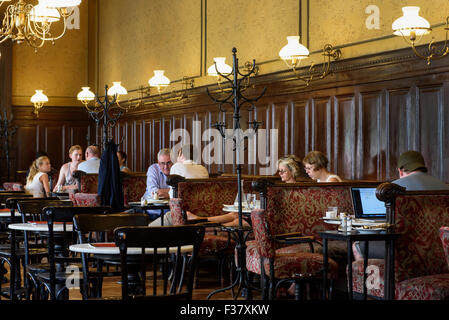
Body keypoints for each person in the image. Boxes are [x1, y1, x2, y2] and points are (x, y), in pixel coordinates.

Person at [356, 150, 449, 259]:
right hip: (441, 250)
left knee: (358, 246)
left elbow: (386, 225)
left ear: (400, 171)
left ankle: (377, 274)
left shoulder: (391, 189)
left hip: (405, 251)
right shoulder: (444, 187)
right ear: (423, 167)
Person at [149, 144, 208, 226]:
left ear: (181, 154)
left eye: (178, 155)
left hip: (181, 214)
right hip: (202, 212)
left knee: (151, 226)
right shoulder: (203, 169)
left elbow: (172, 196)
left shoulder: (176, 167)